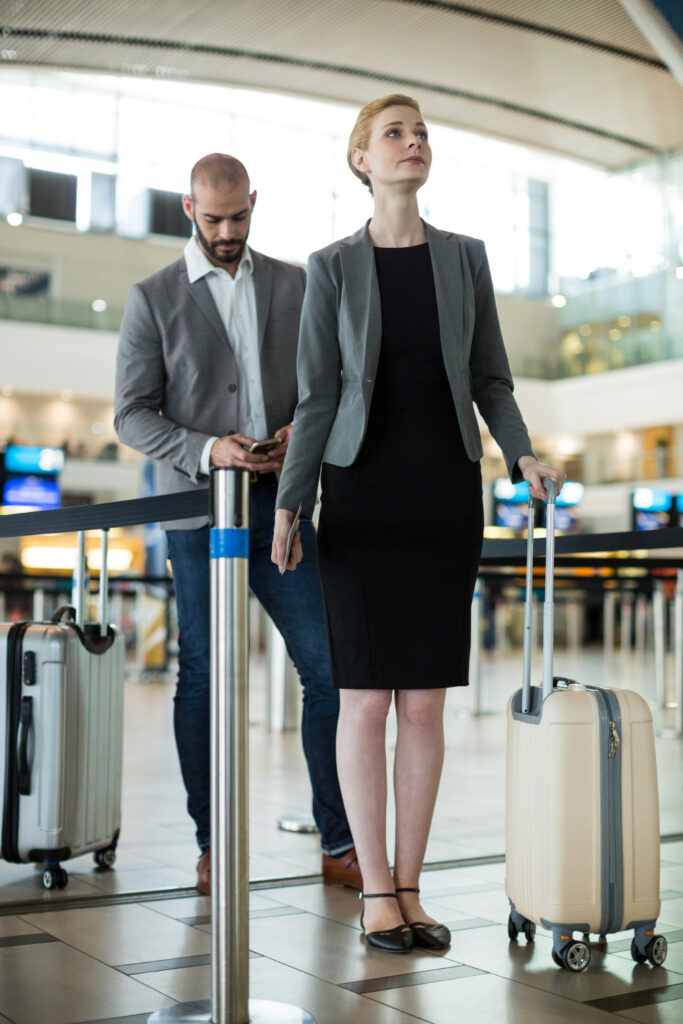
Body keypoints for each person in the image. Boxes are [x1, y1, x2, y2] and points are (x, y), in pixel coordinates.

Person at [272, 95, 565, 953]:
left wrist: (520, 457)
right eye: (394, 133)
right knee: (363, 702)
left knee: (426, 706)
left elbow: (491, 380)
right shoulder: (329, 266)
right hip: (359, 492)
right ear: (360, 159)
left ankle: (409, 885)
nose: (413, 143)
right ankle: (372, 891)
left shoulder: (464, 259)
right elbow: (317, 394)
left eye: (422, 132)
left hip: (442, 492)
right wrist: (293, 502)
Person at [115, 153, 361, 895]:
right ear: (189, 209)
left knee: (327, 671)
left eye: (239, 217)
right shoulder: (152, 297)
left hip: (281, 507)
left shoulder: (295, 282)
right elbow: (131, 414)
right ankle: (210, 841)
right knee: (201, 679)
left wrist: (295, 431)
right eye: (213, 218)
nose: (227, 232)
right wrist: (204, 449)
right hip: (199, 516)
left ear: (253, 202)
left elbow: (334, 382)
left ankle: (340, 840)